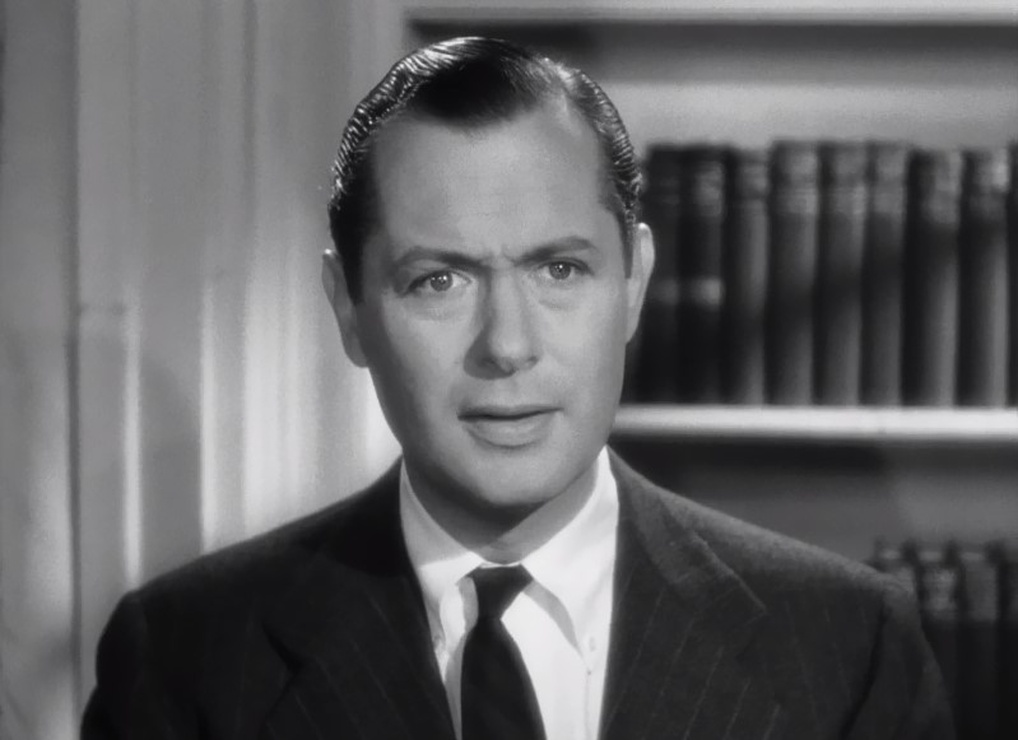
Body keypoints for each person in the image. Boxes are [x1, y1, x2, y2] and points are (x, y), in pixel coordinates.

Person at [82, 36, 952, 740]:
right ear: (348, 308)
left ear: (634, 283)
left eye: (559, 269)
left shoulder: (848, 647)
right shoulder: (185, 659)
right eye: (439, 281)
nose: (507, 346)